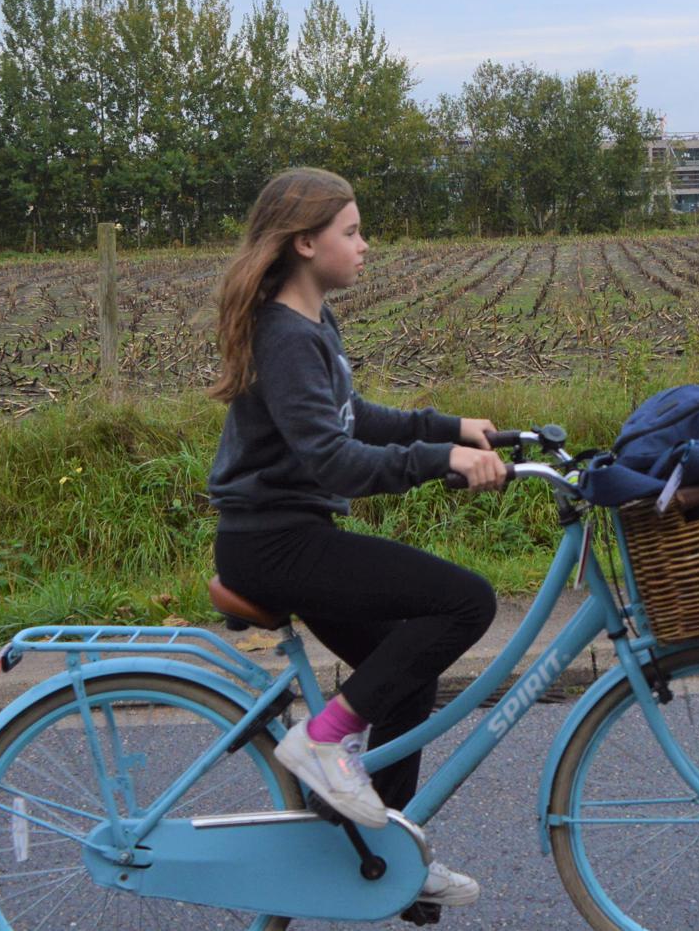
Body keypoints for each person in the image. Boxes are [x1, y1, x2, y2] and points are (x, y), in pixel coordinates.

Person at [205, 167, 509, 909]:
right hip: (275, 543)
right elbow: (335, 458)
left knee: (403, 679)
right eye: (351, 231)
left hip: (290, 535)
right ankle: (323, 739)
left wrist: (449, 426)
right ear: (306, 242)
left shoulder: (311, 326)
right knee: (467, 602)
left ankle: (379, 854)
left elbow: (353, 416)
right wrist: (442, 462)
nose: (365, 245)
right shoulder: (283, 334)